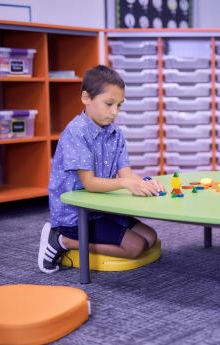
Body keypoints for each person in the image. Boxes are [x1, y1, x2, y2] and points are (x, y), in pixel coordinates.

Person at [38, 65, 165, 274]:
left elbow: (126, 174)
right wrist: (126, 183)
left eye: (119, 105)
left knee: (150, 238)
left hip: (102, 209)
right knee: (136, 247)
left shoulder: (116, 133)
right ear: (86, 98)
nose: (115, 112)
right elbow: (89, 183)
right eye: (109, 104)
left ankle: (73, 238)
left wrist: (144, 183)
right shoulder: (76, 132)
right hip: (76, 215)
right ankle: (62, 240)